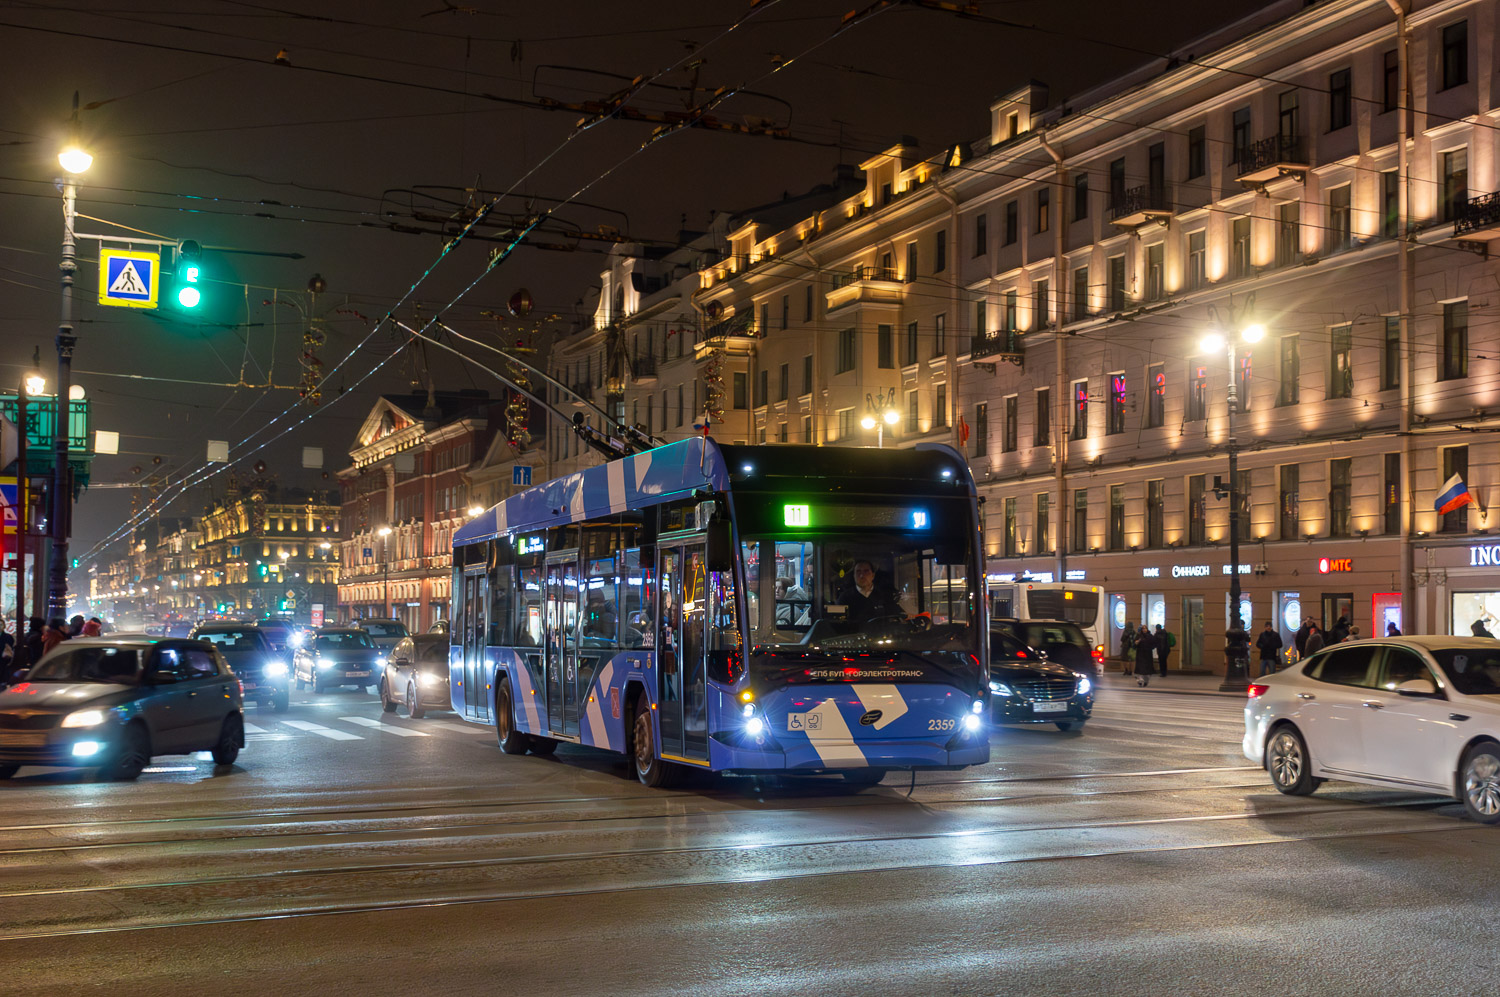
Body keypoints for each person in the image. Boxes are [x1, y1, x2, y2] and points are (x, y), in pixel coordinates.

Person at [835, 560, 900, 625]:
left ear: (873, 575)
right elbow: (838, 622)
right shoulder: (845, 597)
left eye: (866, 571)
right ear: (854, 576)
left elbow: (894, 618)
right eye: (858, 571)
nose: (861, 576)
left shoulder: (885, 596)